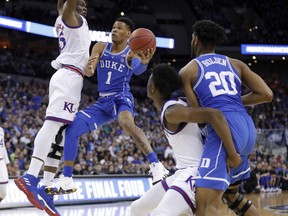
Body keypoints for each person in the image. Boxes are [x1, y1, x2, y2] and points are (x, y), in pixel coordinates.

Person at [46, 17, 169, 195]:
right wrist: (88, 68)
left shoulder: (131, 52)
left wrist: (144, 62)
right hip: (102, 102)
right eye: (113, 27)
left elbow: (137, 70)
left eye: (119, 28)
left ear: (129, 34)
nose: (114, 30)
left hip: (121, 97)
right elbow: (90, 70)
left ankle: (156, 164)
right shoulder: (100, 46)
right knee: (71, 130)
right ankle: (66, 178)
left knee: (126, 122)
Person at [179, 20, 273, 216]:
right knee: (232, 196)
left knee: (204, 206)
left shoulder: (188, 71)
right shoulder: (235, 64)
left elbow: (201, 118)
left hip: (224, 130)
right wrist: (234, 101)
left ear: (195, 39)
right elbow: (267, 94)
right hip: (247, 127)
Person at [130, 63, 240, 216]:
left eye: (149, 79)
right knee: (136, 208)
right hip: (182, 173)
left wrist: (233, 154)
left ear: (153, 87)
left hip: (196, 173)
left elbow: (214, 115)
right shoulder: (178, 104)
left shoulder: (172, 112)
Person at [14, 0, 90, 215]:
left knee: (60, 134)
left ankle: (46, 187)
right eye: (79, 2)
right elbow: (66, 6)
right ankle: (30, 176)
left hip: (72, 79)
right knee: (53, 126)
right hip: (68, 76)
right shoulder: (70, 18)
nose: (84, 5)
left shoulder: (72, 21)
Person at [0, 127, 10, 203]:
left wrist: (7, 162)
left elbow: (2, 146)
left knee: (3, 193)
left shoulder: (1, 130)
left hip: (1, 161)